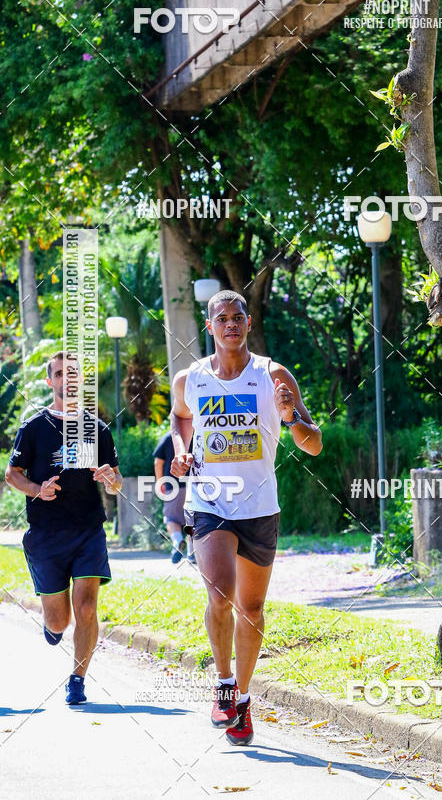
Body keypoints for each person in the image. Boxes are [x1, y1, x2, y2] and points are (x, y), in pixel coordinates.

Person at [170, 289, 322, 745]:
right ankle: (221, 683)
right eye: (222, 318)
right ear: (210, 327)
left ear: (248, 324)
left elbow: (313, 443)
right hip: (209, 501)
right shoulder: (190, 379)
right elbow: (180, 419)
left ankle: (242, 696)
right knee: (220, 593)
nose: (231, 324)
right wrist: (181, 451)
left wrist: (290, 416)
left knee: (251, 610)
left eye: (238, 317)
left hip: (260, 508)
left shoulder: (272, 374)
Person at [5, 351, 122, 705]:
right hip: (45, 534)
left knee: (87, 608)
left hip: (88, 530)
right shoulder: (34, 427)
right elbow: (13, 474)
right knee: (58, 622)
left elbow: (117, 482)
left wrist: (110, 479)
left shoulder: (97, 428)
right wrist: (37, 490)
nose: (66, 380)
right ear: (50, 381)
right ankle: (51, 624)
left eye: (73, 374)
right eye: (59, 374)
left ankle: (77, 679)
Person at [153, 431, 195, 564]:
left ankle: (177, 541)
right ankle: (191, 553)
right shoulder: (196, 434)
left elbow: (158, 462)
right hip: (194, 484)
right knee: (192, 519)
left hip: (173, 484)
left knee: (171, 518)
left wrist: (160, 482)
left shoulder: (168, 437)